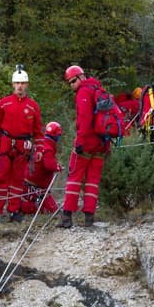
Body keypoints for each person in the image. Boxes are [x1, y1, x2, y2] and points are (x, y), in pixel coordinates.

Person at [0, 66, 43, 223]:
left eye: (23, 83)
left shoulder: (33, 106)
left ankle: (14, 210)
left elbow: (38, 131)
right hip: (5, 144)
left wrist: (39, 148)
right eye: (17, 83)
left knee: (18, 179)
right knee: (1, 178)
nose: (20, 86)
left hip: (23, 146)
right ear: (13, 84)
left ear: (27, 85)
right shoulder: (4, 103)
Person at [61, 66, 109, 228]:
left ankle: (67, 216)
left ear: (81, 77)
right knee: (92, 182)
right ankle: (89, 217)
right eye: (70, 83)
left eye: (73, 81)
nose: (72, 85)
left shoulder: (83, 92)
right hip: (101, 144)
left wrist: (80, 142)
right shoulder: (99, 89)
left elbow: (85, 119)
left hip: (86, 143)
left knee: (74, 178)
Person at [21, 121, 63, 214]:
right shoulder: (48, 148)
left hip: (29, 183)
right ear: (55, 135)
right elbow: (50, 166)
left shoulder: (40, 144)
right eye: (59, 134)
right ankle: (23, 207)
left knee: (49, 209)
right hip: (36, 187)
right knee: (51, 210)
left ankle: (22, 205)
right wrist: (58, 167)